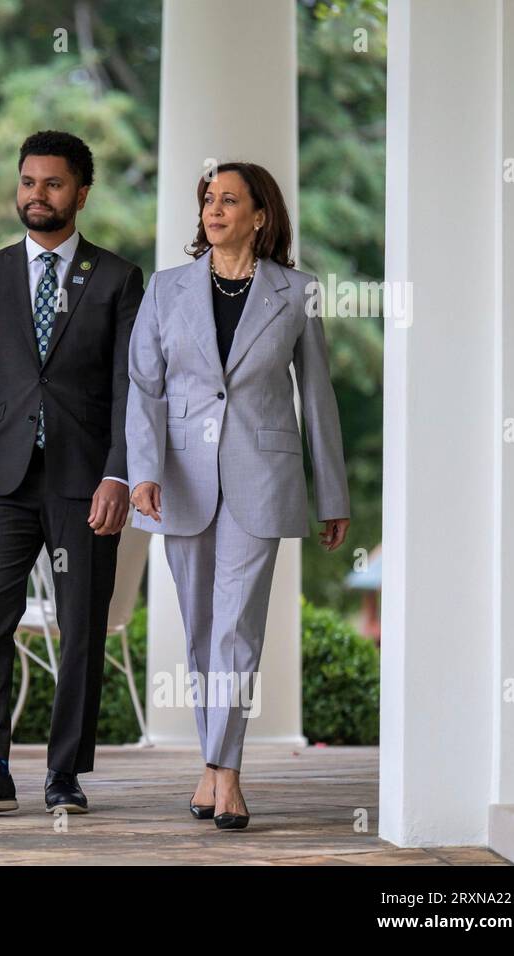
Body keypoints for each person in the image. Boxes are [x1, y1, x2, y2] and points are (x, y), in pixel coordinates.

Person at [125, 161, 349, 830]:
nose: (214, 209)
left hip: (262, 477)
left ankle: (227, 776)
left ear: (260, 215)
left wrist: (330, 492)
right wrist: (142, 471)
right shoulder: (166, 290)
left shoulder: (297, 292)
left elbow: (318, 397)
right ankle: (213, 766)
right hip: (181, 480)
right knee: (199, 633)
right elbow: (144, 389)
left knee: (236, 631)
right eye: (207, 199)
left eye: (229, 199)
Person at [0, 131, 144, 814]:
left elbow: (129, 389)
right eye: (28, 182)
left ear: (81, 193)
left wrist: (119, 473)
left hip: (85, 482)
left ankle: (64, 775)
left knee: (80, 627)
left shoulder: (116, 279)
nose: (37, 195)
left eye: (53, 184)